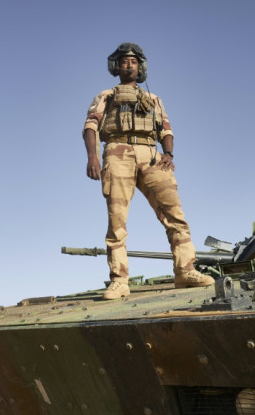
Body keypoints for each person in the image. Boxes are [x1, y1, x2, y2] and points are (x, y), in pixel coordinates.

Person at [83, 42, 214, 300]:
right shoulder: (106, 96)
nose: (129, 65)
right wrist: (93, 157)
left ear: (140, 66)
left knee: (174, 213)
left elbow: (166, 129)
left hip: (152, 155)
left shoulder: (153, 99)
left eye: (133, 61)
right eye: (124, 61)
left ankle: (185, 270)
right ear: (116, 66)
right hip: (117, 151)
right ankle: (119, 281)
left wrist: (168, 154)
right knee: (117, 220)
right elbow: (90, 126)